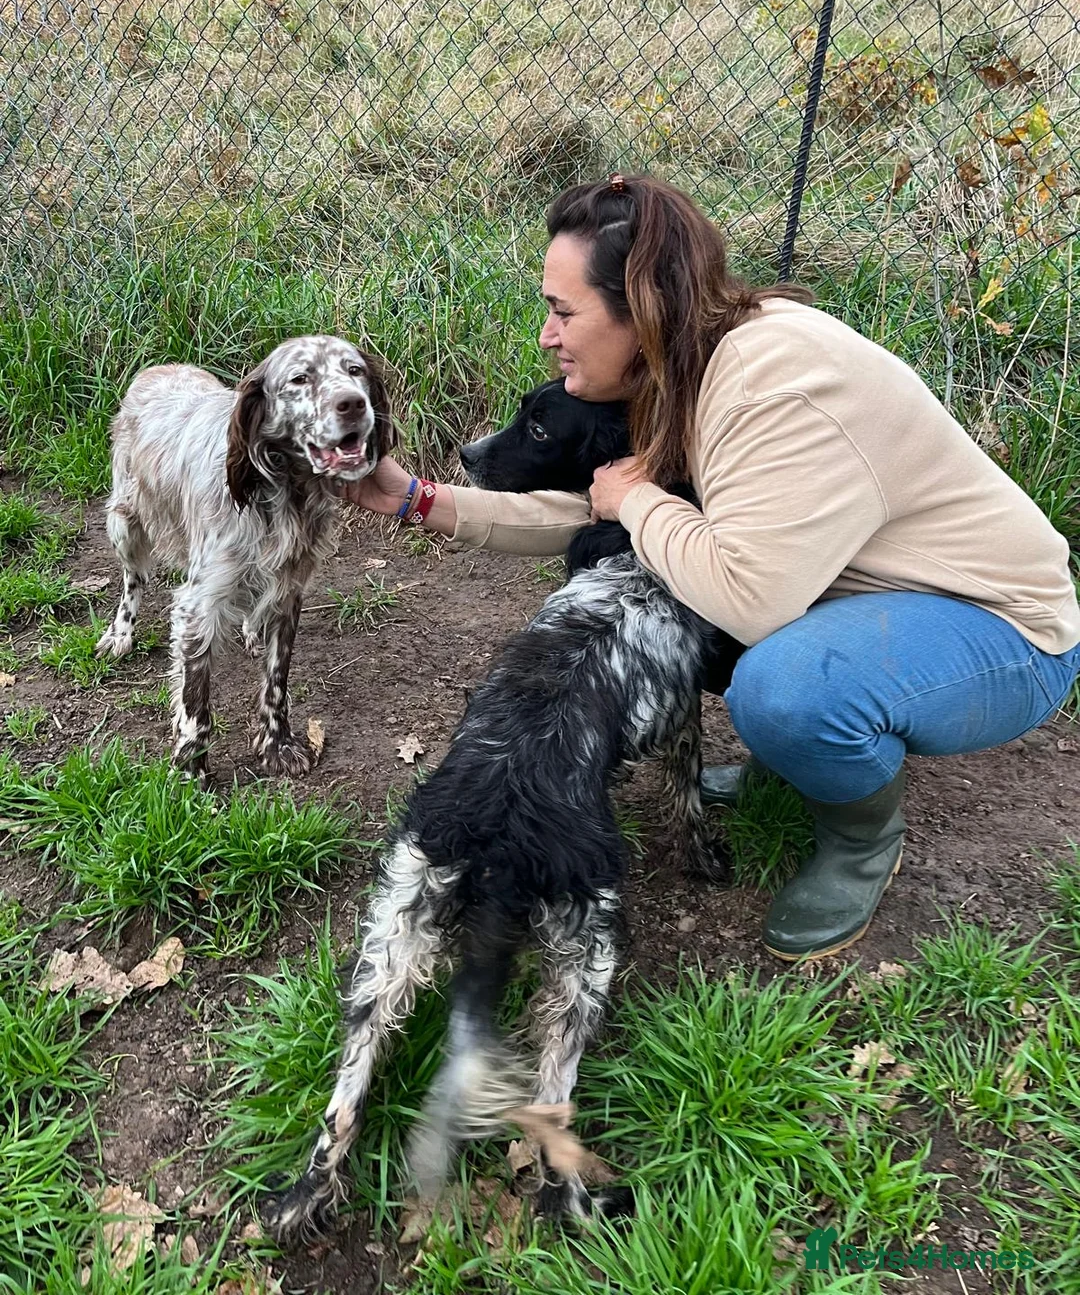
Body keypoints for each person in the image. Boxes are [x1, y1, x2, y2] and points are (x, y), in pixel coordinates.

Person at [340, 174, 1080, 961]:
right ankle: (808, 760)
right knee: (689, 592)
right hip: (867, 600)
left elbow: (747, 594)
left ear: (642, 306)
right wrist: (418, 501)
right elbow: (605, 509)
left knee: (784, 686)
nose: (547, 337)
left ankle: (862, 840)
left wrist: (637, 504)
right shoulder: (686, 366)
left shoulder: (772, 386)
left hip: (1001, 631)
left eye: (562, 312)